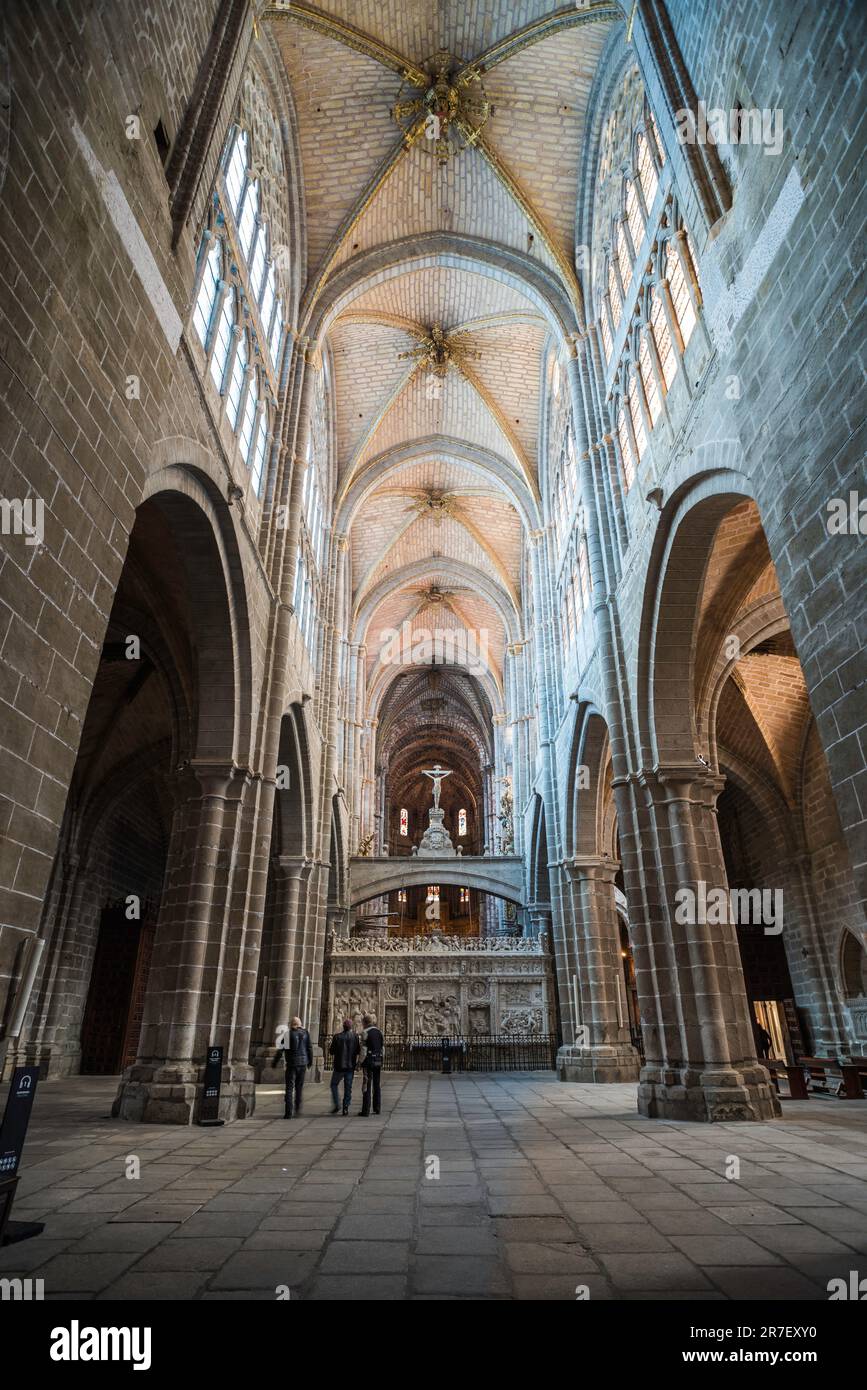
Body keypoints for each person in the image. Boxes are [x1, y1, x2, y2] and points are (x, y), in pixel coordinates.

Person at [274, 1015, 313, 1118]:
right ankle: (297, 1108)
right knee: (299, 1087)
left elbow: (280, 1050)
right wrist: (310, 1062)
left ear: (291, 1025)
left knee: (289, 1088)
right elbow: (309, 1048)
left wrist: (275, 1062)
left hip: (292, 1064)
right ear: (300, 1024)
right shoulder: (306, 1033)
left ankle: (288, 1113)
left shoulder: (288, 1034)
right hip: (303, 1063)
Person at [329, 1017, 360, 1115]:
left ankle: (337, 1104)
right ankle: (345, 1107)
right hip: (350, 1066)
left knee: (334, 1085)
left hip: (339, 1066)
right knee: (348, 1087)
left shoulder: (337, 1037)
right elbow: (358, 1050)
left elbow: (331, 1051)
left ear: (343, 1026)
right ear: (351, 1027)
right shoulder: (355, 1037)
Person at [358, 1013, 384, 1117]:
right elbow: (383, 1048)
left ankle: (366, 1110)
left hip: (368, 1060)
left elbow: (364, 1050)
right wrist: (382, 1059)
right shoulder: (379, 1032)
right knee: (377, 1084)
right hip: (378, 1059)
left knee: (367, 1084)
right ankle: (377, 1108)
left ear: (365, 1023)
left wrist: (359, 1062)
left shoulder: (365, 1032)